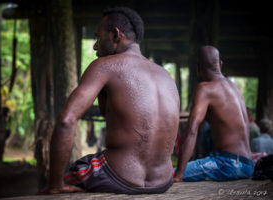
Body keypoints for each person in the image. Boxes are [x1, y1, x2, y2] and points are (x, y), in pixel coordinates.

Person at [47, 7, 180, 194]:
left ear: (116, 35)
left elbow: (66, 121)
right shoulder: (165, 76)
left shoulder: (104, 66)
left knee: (51, 186)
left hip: (119, 176)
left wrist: (55, 185)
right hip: (163, 181)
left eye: (98, 37)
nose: (95, 46)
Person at [173, 46, 254, 182]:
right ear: (220, 64)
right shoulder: (235, 89)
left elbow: (192, 129)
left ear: (198, 67)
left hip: (229, 164)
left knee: (165, 175)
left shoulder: (205, 89)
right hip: (248, 164)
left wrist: (179, 174)